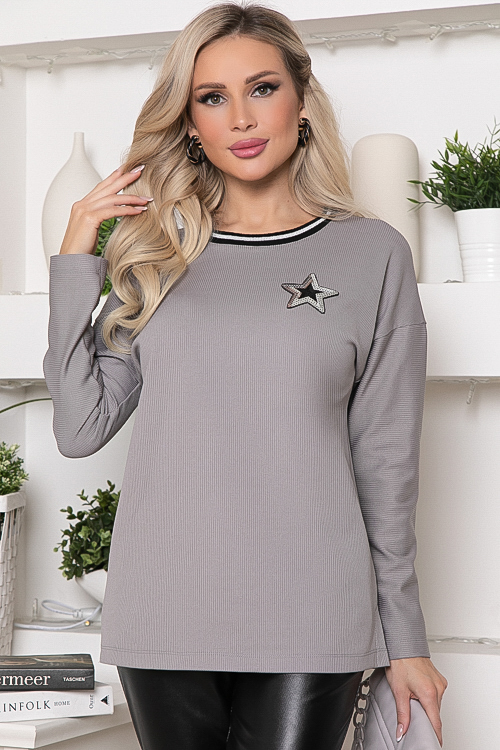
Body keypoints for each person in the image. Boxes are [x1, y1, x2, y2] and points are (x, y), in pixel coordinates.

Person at [43, 3, 448, 749]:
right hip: (164, 613)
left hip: (314, 612)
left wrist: (407, 640)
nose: (241, 117)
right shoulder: (157, 254)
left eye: (262, 88)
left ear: (302, 99)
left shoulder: (374, 254)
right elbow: (79, 426)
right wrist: (77, 255)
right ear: (190, 123)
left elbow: (387, 463)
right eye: (212, 97)